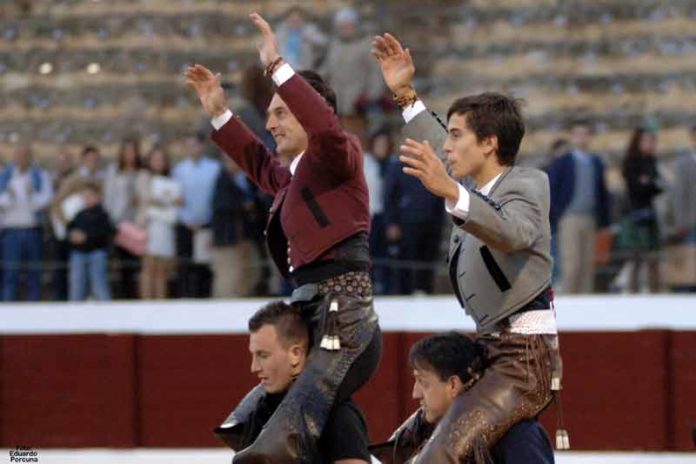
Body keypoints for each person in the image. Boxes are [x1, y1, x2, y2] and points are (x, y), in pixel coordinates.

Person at [185, 13, 381, 463]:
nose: (270, 124)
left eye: (280, 113)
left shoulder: (337, 154)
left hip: (343, 322)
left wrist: (277, 65)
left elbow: (325, 128)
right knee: (254, 420)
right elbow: (256, 161)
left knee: (274, 444)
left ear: (309, 111)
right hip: (313, 316)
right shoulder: (295, 176)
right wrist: (218, 111)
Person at [372, 33, 564, 462]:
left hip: (524, 362)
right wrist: (405, 95)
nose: (446, 145)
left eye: (458, 136)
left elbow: (513, 232)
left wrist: (453, 193)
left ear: (489, 142)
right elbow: (438, 144)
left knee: (438, 455)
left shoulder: (528, 183)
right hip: (490, 350)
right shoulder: (473, 191)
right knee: (403, 445)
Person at [215, 301, 371, 464]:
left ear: (295, 354)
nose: (254, 368)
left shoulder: (337, 414)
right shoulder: (260, 412)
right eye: (253, 355)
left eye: (263, 355)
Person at [371, 332, 555, 464]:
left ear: (453, 385)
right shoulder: (418, 432)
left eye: (423, 382)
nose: (415, 393)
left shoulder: (517, 435)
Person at [546, 119, 611, 294]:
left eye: (585, 134)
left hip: (590, 217)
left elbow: (602, 193)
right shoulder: (563, 162)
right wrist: (558, 212)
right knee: (572, 264)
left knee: (588, 265)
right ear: (573, 137)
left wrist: (604, 221)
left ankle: (585, 305)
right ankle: (569, 303)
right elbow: (552, 189)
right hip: (570, 217)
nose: (582, 138)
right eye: (578, 134)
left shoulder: (596, 162)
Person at [0, 143, 53, 301]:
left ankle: (34, 311)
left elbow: (46, 199)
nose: (22, 159)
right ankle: (7, 313)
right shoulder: (5, 176)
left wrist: (31, 196)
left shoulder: (39, 175)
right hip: (11, 230)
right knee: (10, 274)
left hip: (32, 229)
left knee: (34, 273)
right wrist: (10, 196)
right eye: (19, 155)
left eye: (25, 155)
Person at [172, 132, 221, 298]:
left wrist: (204, 221)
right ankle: (186, 300)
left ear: (202, 146)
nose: (192, 149)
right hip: (186, 225)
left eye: (195, 145)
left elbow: (215, 198)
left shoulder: (214, 168)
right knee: (185, 265)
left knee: (205, 266)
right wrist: (188, 220)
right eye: (188, 145)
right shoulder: (179, 170)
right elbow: (177, 198)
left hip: (207, 224)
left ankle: (204, 300)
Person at [620, 125, 663, 293]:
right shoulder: (631, 162)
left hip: (649, 212)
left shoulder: (652, 162)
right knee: (635, 256)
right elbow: (637, 188)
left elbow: (658, 186)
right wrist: (648, 184)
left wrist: (648, 183)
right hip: (635, 213)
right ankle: (633, 291)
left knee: (653, 256)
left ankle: (655, 290)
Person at [103, 135, 146, 299]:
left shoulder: (142, 171)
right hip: (119, 224)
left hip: (137, 226)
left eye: (132, 151)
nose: (129, 155)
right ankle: (122, 298)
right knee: (121, 266)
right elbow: (109, 197)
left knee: (136, 266)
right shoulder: (114, 171)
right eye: (126, 151)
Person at [137, 146, 181, 300]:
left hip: (165, 227)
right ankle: (147, 303)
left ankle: (160, 304)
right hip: (150, 226)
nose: (158, 162)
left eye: (161, 159)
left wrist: (165, 202)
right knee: (149, 266)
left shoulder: (172, 180)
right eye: (155, 159)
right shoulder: (144, 177)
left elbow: (175, 205)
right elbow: (146, 201)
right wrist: (166, 202)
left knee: (162, 268)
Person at [210, 157, 257, 298]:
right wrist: (243, 205)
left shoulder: (242, 181)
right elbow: (223, 208)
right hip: (227, 238)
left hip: (241, 237)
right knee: (229, 275)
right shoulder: (222, 182)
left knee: (244, 273)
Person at [66, 182, 114, 301]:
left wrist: (87, 237)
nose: (87, 199)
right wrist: (73, 236)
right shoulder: (79, 214)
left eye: (90, 196)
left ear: (98, 197)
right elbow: (70, 229)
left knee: (99, 285)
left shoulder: (103, 214)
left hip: (96, 253)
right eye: (84, 196)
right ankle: (74, 313)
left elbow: (105, 233)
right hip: (79, 253)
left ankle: (107, 311)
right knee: (76, 286)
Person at [665, 124, 696, 292]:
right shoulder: (683, 164)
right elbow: (679, 196)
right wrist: (681, 224)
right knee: (689, 267)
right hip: (691, 224)